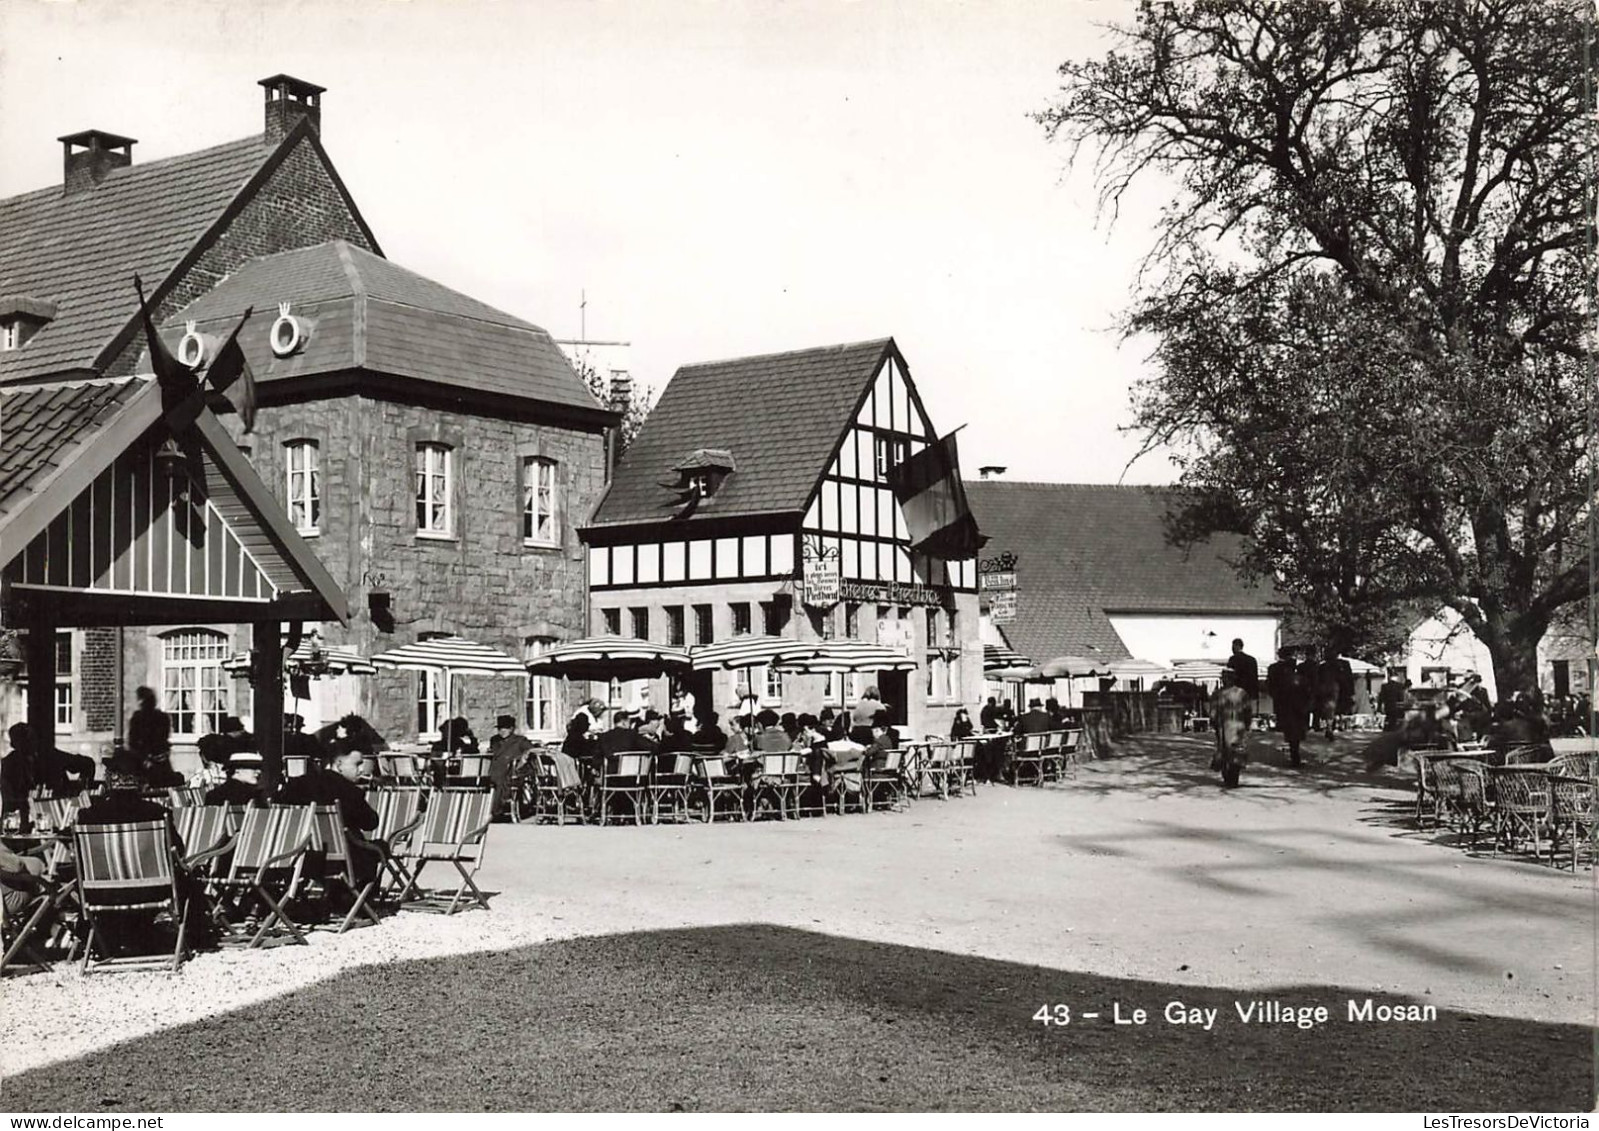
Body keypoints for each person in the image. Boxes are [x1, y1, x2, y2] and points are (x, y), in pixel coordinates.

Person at [127, 685, 181, 787]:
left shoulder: (138, 718)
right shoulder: (163, 717)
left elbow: (132, 742)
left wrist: (144, 758)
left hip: (145, 762)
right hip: (159, 761)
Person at [1266, 646, 1310, 767]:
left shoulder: (1274, 669)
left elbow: (1270, 688)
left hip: (1283, 705)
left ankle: (1294, 755)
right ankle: (1295, 756)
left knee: (1291, 731)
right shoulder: (1297, 672)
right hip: (1296, 705)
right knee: (1295, 731)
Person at [1209, 669, 1254, 786]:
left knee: (1224, 750)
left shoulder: (1217, 694)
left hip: (1224, 726)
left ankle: (1227, 776)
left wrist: (1214, 724)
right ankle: (1234, 778)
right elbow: (1248, 711)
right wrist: (1247, 725)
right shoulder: (1242, 693)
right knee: (1237, 751)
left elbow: (1213, 713)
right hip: (1239, 726)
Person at [486, 714, 535, 821]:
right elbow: (492, 754)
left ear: (512, 729)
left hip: (511, 773)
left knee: (500, 782)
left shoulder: (520, 741)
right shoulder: (494, 740)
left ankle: (495, 811)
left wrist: (522, 759)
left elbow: (531, 751)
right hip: (494, 770)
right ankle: (483, 809)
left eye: (505, 728)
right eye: (499, 728)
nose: (502, 731)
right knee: (482, 781)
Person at [1226, 638, 1260, 705]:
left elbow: (1230, 676)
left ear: (1236, 646)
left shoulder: (1233, 659)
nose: (1232, 649)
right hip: (1249, 690)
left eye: (1232, 647)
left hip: (1237, 690)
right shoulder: (1252, 659)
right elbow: (1254, 677)